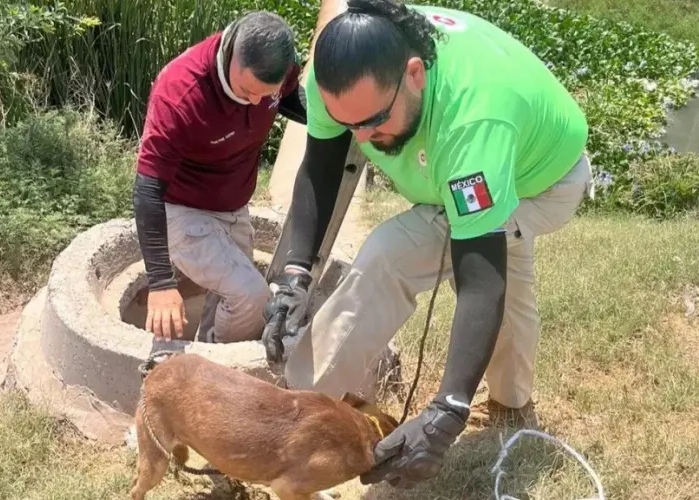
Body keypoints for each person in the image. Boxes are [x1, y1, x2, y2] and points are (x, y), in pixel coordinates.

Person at [261, 0, 593, 489]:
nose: (365, 138)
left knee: (392, 253)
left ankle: (296, 414)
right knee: (510, 262)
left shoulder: (472, 123)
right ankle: (511, 405)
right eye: (350, 124)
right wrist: (295, 274)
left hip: (543, 183)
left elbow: (480, 279)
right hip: (507, 154)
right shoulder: (345, 71)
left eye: (374, 121)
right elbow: (321, 166)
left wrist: (446, 412)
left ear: (414, 74)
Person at [134, 11, 307, 344]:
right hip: (183, 210)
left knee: (231, 298)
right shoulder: (181, 94)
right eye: (246, 90)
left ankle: (207, 349)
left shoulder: (279, 67)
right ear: (231, 54)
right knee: (252, 297)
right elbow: (147, 191)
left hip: (234, 209)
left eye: (264, 94)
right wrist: (160, 282)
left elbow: (286, 97)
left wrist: (334, 119)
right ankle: (218, 375)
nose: (255, 102)